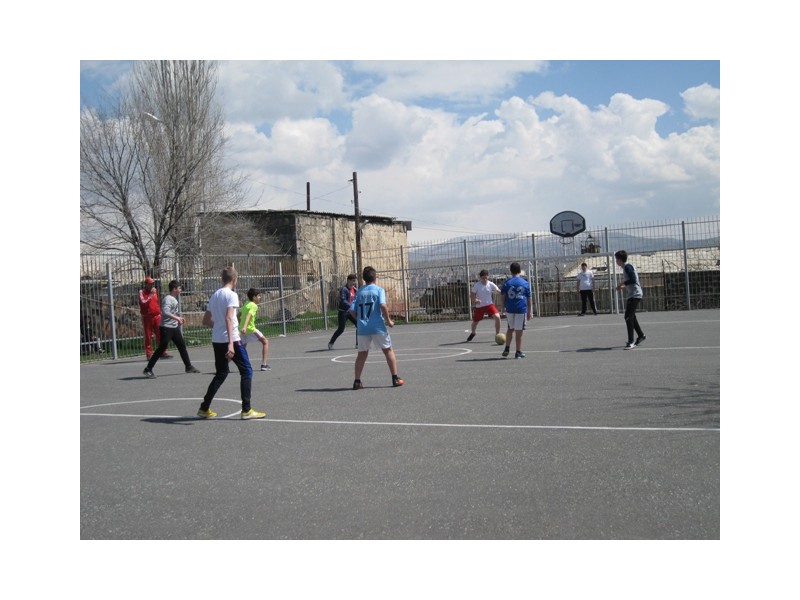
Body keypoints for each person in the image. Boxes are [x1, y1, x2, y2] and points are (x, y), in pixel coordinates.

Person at [197, 267, 266, 419]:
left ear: (222, 279)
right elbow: (229, 318)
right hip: (232, 339)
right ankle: (246, 410)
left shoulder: (215, 295)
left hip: (217, 339)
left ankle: (204, 408)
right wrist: (230, 343)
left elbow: (206, 320)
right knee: (247, 371)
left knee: (221, 374)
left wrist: (218, 327)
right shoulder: (232, 295)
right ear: (234, 280)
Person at [349, 266, 404, 390]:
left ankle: (357, 381)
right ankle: (395, 378)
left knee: (362, 354)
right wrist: (389, 320)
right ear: (375, 277)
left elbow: (351, 310)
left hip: (363, 328)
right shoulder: (379, 290)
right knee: (388, 350)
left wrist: (359, 319)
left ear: (364, 279)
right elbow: (383, 305)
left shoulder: (359, 292)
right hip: (377, 326)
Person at [142, 280, 201, 378]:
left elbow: (172, 313)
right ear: (174, 289)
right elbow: (165, 312)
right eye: (179, 288)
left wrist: (178, 319)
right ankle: (148, 369)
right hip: (166, 328)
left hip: (174, 328)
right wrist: (177, 318)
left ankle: (188, 367)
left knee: (182, 346)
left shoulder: (173, 299)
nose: (181, 290)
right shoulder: (168, 299)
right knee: (161, 348)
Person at [500, 262, 532, 359]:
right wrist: (529, 311)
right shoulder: (525, 283)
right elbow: (529, 298)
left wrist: (502, 309)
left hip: (510, 309)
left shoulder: (507, 282)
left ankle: (507, 347)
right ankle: (518, 351)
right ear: (520, 270)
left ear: (511, 271)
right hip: (520, 309)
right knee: (519, 331)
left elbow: (502, 296)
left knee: (510, 328)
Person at [615, 250, 646, 350]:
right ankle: (641, 335)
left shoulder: (627, 267)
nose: (616, 261)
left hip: (635, 295)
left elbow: (633, 279)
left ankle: (631, 341)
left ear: (620, 260)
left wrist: (622, 283)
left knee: (628, 317)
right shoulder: (626, 267)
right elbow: (632, 281)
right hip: (633, 294)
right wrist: (624, 286)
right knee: (631, 317)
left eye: (616, 259)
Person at [139, 277, 169, 359]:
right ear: (146, 284)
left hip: (157, 316)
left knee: (160, 334)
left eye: (152, 283)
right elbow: (143, 302)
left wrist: (159, 311)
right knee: (148, 336)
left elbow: (156, 302)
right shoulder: (142, 292)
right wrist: (150, 295)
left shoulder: (155, 291)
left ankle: (163, 351)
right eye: (150, 284)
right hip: (147, 317)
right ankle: (149, 354)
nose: (152, 285)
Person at [467, 269, 502, 341]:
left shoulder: (491, 284)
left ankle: (497, 335)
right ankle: (473, 333)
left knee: (497, 317)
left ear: (488, 277)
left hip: (489, 305)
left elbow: (498, 291)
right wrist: (475, 300)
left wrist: (501, 292)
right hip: (480, 306)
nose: (485, 279)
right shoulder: (477, 285)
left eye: (486, 277)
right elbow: (471, 295)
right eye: (483, 278)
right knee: (475, 322)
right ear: (480, 278)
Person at [241, 288, 270, 371]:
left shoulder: (246, 303)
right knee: (265, 342)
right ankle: (264, 365)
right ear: (254, 297)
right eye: (259, 296)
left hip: (242, 330)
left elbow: (239, 314)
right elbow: (248, 315)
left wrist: (240, 326)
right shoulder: (254, 305)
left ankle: (224, 366)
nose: (260, 297)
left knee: (240, 349)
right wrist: (245, 326)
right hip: (250, 329)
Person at [328, 274, 358, 350]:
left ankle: (358, 344)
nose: (354, 283)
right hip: (343, 312)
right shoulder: (344, 289)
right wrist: (351, 307)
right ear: (348, 280)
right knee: (341, 329)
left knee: (359, 325)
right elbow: (343, 301)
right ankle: (331, 343)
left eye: (355, 281)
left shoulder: (355, 290)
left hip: (351, 312)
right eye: (353, 281)